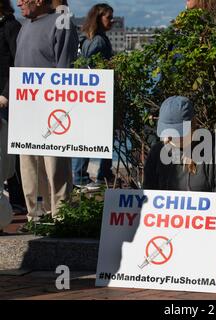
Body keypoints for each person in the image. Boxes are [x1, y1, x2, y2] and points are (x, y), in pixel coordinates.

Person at [143, 96, 216, 255]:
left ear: (192, 126)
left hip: (205, 238)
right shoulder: (157, 152)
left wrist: (198, 220)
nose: (172, 137)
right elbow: (146, 197)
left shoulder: (212, 151)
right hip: (164, 236)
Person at [15, 0, 79, 218]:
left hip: (53, 109)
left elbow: (65, 66)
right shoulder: (24, 26)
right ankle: (36, 215)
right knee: (29, 167)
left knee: (55, 166)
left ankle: (61, 216)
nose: (18, 3)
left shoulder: (61, 21)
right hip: (26, 109)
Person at [72, 3, 115, 191]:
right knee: (96, 134)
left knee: (89, 134)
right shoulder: (98, 41)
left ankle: (93, 173)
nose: (112, 21)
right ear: (99, 18)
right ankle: (84, 176)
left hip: (88, 96)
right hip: (97, 95)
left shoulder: (88, 39)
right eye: (109, 17)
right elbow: (91, 67)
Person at [0, 0, 26, 218]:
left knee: (10, 151)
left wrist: (6, 94)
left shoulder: (11, 26)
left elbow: (18, 63)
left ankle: (18, 200)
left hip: (4, 98)